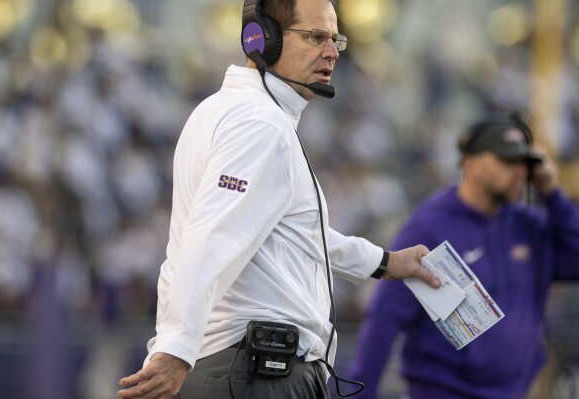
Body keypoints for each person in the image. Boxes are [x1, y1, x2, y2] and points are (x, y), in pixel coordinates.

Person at [117, 1, 440, 398]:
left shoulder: (228, 111)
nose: (332, 52)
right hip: (255, 373)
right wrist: (174, 350)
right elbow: (212, 236)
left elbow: (299, 234)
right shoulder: (261, 125)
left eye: (335, 39)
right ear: (262, 39)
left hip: (239, 368)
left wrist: (385, 263)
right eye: (315, 37)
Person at [348, 113, 579, 399]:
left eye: (525, 164)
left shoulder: (528, 224)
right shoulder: (430, 227)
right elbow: (385, 319)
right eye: (508, 161)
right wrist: (360, 393)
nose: (520, 172)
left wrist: (553, 192)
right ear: (470, 164)